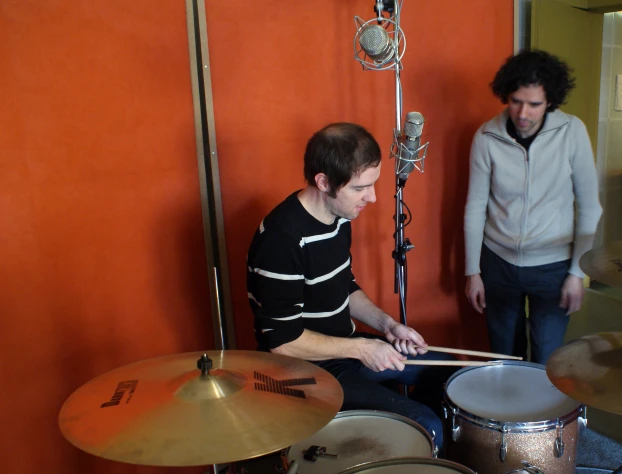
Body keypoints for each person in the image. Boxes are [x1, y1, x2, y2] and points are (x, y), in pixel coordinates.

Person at [247, 122, 451, 451]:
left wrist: (389, 326)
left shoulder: (338, 217)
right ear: (324, 182)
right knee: (424, 425)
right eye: (360, 188)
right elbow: (282, 342)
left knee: (444, 372)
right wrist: (362, 349)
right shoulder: (282, 240)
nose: (372, 197)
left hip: (343, 349)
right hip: (305, 369)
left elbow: (344, 285)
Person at [464, 50, 602, 364]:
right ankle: (508, 413)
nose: (523, 112)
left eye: (534, 104)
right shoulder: (486, 137)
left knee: (547, 358)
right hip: (498, 263)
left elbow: (590, 207)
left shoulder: (572, 132)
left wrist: (577, 272)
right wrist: (473, 272)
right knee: (504, 358)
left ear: (550, 101)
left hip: (553, 267)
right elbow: (475, 207)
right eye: (515, 101)